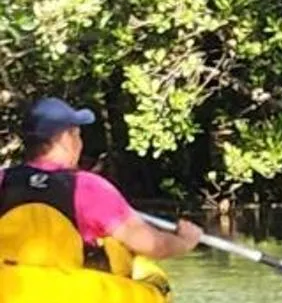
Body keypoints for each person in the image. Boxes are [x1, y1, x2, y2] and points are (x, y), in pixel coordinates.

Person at [0, 97, 202, 272]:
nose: (80, 143)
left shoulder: (3, 179)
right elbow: (152, 245)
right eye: (77, 134)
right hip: (66, 299)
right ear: (65, 139)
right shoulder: (88, 187)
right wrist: (184, 241)